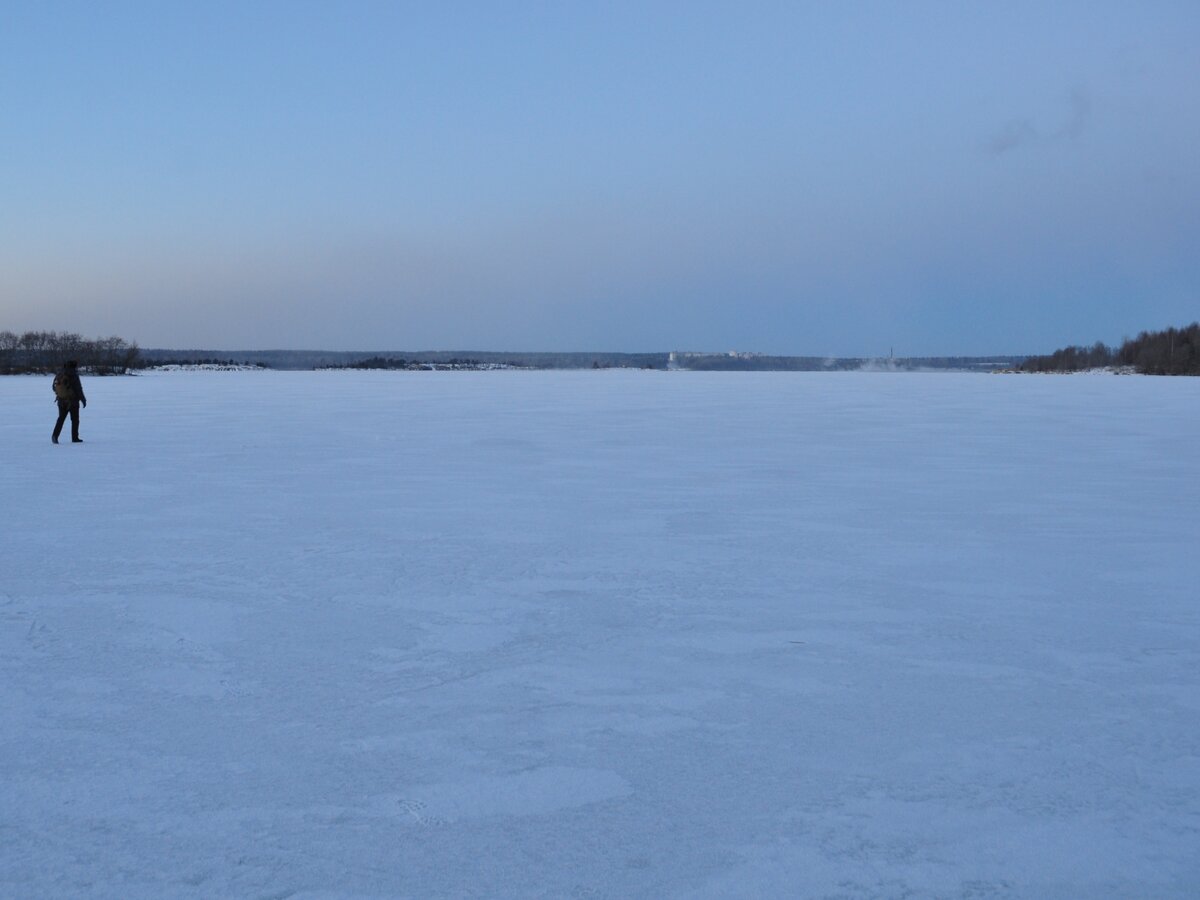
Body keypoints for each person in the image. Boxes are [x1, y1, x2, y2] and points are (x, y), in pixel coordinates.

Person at [52, 360, 86, 444]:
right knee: (75, 420)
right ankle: (75, 437)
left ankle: (55, 436)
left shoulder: (59, 374)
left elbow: (53, 387)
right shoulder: (74, 375)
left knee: (61, 419)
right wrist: (83, 399)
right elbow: (78, 389)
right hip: (73, 401)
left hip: (61, 401)